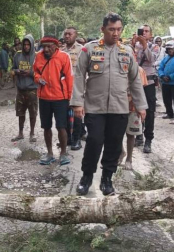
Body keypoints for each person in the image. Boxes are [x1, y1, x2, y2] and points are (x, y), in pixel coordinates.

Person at [71, 13, 147, 196]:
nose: (115, 33)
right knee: (94, 141)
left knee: (114, 144)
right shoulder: (89, 49)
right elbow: (79, 75)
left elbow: (135, 80)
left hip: (119, 107)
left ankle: (107, 179)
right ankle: (87, 177)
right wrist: (77, 103)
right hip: (95, 107)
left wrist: (141, 105)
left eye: (119, 29)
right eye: (111, 29)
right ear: (103, 29)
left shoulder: (127, 51)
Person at [33, 35, 73, 166]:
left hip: (60, 98)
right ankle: (49, 153)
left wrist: (69, 98)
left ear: (56, 46)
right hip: (44, 97)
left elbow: (69, 77)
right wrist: (38, 78)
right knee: (46, 126)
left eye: (49, 46)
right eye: (44, 46)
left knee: (62, 126)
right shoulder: (38, 56)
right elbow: (34, 72)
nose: (46, 49)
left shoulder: (64, 57)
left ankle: (63, 153)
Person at [134, 25, 158, 153]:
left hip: (148, 83)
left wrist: (144, 45)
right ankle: (138, 135)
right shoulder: (134, 46)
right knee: (136, 109)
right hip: (135, 83)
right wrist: (134, 45)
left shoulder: (154, 46)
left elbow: (152, 59)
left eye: (147, 31)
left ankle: (148, 139)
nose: (144, 32)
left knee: (149, 111)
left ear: (151, 34)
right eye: (142, 31)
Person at [119, 66, 149, 170]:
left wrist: (141, 106)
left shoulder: (139, 70)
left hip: (133, 107)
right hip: (118, 106)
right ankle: (121, 152)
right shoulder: (116, 65)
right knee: (116, 133)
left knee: (131, 134)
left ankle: (129, 159)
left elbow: (141, 90)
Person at [61, 27, 84, 150]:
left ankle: (77, 139)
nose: (67, 36)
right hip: (63, 87)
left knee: (77, 114)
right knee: (64, 113)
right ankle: (67, 138)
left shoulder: (81, 50)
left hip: (76, 86)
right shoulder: (61, 50)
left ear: (75, 35)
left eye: (70, 34)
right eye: (66, 34)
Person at [11, 35, 38, 143]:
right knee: (20, 112)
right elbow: (12, 70)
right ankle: (20, 133)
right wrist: (17, 71)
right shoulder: (17, 55)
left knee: (33, 112)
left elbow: (41, 73)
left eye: (28, 44)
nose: (26, 47)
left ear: (31, 45)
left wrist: (30, 73)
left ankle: (32, 133)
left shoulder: (37, 56)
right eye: (24, 44)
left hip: (32, 89)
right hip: (20, 89)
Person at [158, 40, 174, 120]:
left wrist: (171, 77)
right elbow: (160, 68)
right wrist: (162, 76)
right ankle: (169, 113)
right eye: (168, 49)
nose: (169, 50)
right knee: (166, 99)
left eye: (171, 49)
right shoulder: (165, 58)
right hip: (165, 82)